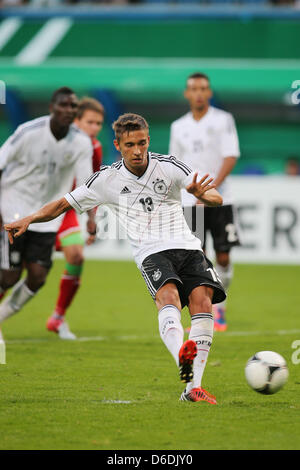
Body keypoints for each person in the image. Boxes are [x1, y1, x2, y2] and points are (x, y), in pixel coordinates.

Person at [5, 113, 225, 404]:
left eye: (142, 143)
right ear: (118, 145)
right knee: (168, 298)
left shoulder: (169, 166)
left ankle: (192, 388)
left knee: (203, 304)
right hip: (152, 251)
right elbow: (62, 204)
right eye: (130, 144)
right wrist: (30, 219)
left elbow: (216, 198)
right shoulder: (106, 180)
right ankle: (182, 353)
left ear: (148, 140)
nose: (137, 150)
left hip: (188, 246)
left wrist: (204, 196)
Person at [0, 87, 96, 339]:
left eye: (72, 106)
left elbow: (87, 186)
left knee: (38, 276)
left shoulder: (81, 142)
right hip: (13, 208)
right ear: (52, 108)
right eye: (63, 105)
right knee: (9, 276)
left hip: (46, 217)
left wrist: (92, 218)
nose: (68, 110)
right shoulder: (28, 133)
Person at [169, 72, 241, 332]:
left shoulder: (223, 120)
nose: (198, 93)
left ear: (209, 92)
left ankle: (219, 307)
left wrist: (211, 189)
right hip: (190, 203)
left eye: (203, 88)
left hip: (221, 199)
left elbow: (230, 156)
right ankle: (207, 312)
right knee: (198, 258)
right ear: (187, 94)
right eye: (193, 89)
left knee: (223, 255)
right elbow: (174, 165)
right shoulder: (178, 126)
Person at [46, 97, 104, 339]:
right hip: (35, 207)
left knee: (76, 255)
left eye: (99, 123)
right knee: (16, 268)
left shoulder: (95, 148)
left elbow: (93, 186)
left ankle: (58, 317)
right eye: (89, 122)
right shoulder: (53, 140)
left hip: (64, 212)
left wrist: (92, 219)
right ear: (75, 121)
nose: (94, 127)